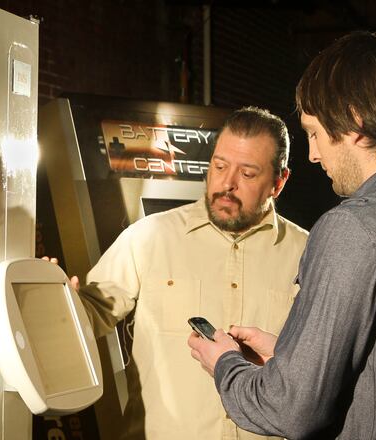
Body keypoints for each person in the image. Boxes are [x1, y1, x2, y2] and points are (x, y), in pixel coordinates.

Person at [188, 31, 376, 439]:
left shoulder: (353, 229)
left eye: (314, 133)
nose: (313, 154)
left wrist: (225, 364)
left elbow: (289, 410)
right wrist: (291, 356)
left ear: (355, 121)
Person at [75, 106, 309, 440]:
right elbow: (88, 313)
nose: (227, 184)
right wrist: (56, 301)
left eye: (247, 174)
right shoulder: (150, 237)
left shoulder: (309, 255)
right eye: (219, 166)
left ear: (278, 182)